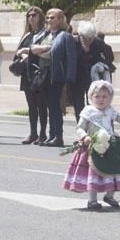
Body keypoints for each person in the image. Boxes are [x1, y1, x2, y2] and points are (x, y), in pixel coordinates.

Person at [63, 80, 120, 210]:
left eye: (104, 96)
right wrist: (85, 136)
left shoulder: (110, 110)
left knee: (116, 169)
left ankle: (109, 196)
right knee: (94, 172)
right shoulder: (88, 111)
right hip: (94, 146)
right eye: (97, 96)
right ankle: (92, 201)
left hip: (112, 145)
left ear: (110, 97)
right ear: (91, 97)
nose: (101, 99)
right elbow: (80, 128)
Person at [18, 8, 76, 147]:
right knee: (50, 106)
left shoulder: (65, 36)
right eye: (48, 18)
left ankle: (58, 136)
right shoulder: (47, 35)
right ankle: (51, 135)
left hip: (56, 75)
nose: (49, 20)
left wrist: (42, 51)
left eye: (53, 18)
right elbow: (33, 48)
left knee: (55, 107)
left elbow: (64, 56)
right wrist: (44, 50)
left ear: (61, 20)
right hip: (43, 74)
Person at [13, 7, 48, 144]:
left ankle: (43, 134)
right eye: (29, 15)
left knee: (41, 105)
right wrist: (23, 55)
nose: (31, 18)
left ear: (40, 17)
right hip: (27, 74)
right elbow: (18, 51)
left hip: (39, 73)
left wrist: (30, 55)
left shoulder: (45, 34)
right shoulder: (27, 35)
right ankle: (33, 133)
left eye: (34, 15)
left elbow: (44, 51)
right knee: (31, 106)